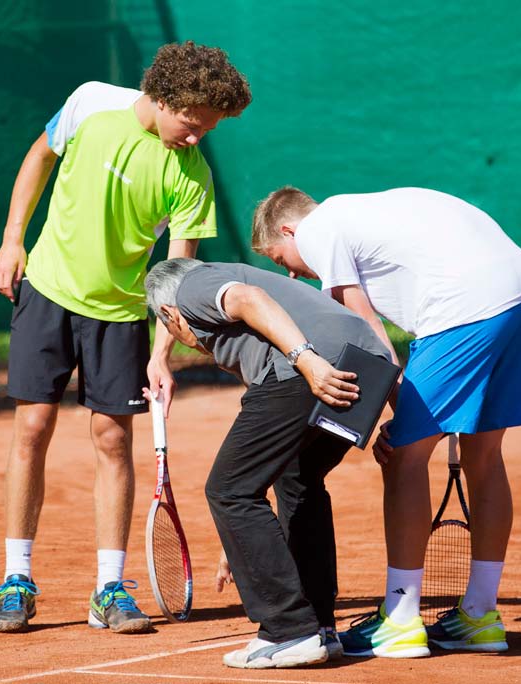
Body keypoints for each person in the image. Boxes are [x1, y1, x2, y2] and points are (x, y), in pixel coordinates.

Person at [0, 42, 251, 634]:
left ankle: (109, 587)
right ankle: (15, 579)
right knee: (32, 426)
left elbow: (176, 278)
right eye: (192, 122)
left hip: (122, 313)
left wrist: (163, 353)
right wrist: (12, 239)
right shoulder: (91, 103)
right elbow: (39, 156)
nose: (197, 137)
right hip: (48, 289)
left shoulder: (192, 175)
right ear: (163, 98)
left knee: (111, 439)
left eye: (208, 129)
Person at [251, 186, 521, 656]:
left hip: (466, 306)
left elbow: (367, 332)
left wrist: (400, 408)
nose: (292, 271)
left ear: (289, 229)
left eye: (281, 258)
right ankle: (480, 616)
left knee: (402, 457)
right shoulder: (369, 211)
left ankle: (400, 618)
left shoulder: (318, 229)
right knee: (486, 457)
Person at [144, 257, 394, 668]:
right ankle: (319, 626)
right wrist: (245, 542)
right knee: (299, 478)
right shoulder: (244, 303)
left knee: (228, 489)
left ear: (169, 315)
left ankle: (289, 629)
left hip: (316, 366)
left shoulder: (194, 288)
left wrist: (306, 359)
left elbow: (247, 299)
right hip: (368, 369)